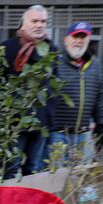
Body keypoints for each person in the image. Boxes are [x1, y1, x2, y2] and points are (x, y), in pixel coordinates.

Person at [0, 5, 56, 179]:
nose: (39, 25)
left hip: (40, 124)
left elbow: (55, 85)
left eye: (43, 21)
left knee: (32, 171)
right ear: (23, 24)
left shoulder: (51, 49)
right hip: (14, 124)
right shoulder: (7, 47)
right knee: (10, 169)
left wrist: (50, 116)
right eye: (34, 21)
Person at [45, 21, 103, 167]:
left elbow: (100, 97)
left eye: (83, 37)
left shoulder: (95, 65)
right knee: (55, 179)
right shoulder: (55, 62)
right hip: (57, 134)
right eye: (75, 37)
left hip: (83, 135)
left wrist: (100, 124)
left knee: (79, 181)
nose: (79, 41)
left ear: (88, 40)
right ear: (66, 40)